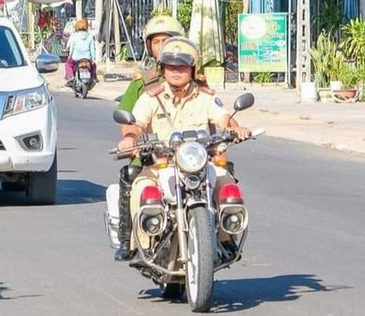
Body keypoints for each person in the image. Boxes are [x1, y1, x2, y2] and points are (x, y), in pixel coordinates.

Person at [115, 37, 251, 261]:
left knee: (228, 185)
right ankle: (141, 244)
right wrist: (130, 139)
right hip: (163, 165)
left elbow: (223, 117)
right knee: (141, 188)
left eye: (183, 66)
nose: (176, 71)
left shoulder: (205, 96)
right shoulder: (152, 97)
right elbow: (136, 124)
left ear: (192, 68)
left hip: (200, 164)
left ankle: (227, 239)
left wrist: (236, 128)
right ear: (163, 68)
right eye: (171, 66)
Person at [112, 15, 185, 260]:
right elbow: (131, 120)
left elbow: (216, 112)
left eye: (168, 40)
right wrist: (130, 141)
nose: (163, 46)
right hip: (152, 155)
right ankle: (128, 238)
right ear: (149, 47)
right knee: (131, 176)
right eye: (157, 42)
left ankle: (225, 232)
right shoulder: (142, 83)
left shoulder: (193, 77)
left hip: (188, 153)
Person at [64, 19, 97, 84]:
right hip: (87, 58)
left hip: (76, 58)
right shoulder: (89, 36)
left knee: (68, 64)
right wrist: (93, 58)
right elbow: (92, 49)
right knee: (93, 65)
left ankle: (71, 77)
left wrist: (70, 56)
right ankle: (93, 78)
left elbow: (72, 48)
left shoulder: (74, 36)